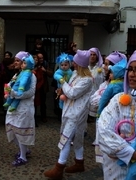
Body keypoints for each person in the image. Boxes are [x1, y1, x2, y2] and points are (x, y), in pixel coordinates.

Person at [98, 48, 136, 180]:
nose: (131, 74)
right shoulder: (118, 101)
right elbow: (103, 133)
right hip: (117, 172)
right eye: (129, 69)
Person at [44, 50, 93, 180]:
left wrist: (62, 82)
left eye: (75, 62)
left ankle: (59, 168)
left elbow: (72, 93)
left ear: (80, 64)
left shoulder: (87, 80)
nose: (73, 65)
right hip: (71, 110)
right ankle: (79, 163)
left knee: (65, 139)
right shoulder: (76, 74)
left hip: (77, 114)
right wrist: (62, 89)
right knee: (77, 138)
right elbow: (69, 89)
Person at [88, 51, 126, 164]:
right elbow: (95, 100)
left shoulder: (115, 85)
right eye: (104, 63)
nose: (104, 66)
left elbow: (103, 100)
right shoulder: (107, 83)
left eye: (107, 64)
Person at [5, 51, 36, 166]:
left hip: (24, 107)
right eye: (16, 60)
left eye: (18, 61)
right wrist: (8, 90)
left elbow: (30, 92)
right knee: (11, 128)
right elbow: (11, 85)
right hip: (13, 106)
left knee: (21, 130)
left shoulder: (32, 76)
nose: (16, 63)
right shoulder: (17, 74)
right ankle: (25, 150)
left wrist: (13, 93)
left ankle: (23, 156)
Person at [36, 52, 53, 122]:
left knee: (43, 103)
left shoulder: (45, 64)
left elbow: (51, 74)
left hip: (43, 86)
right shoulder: (34, 64)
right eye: (39, 58)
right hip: (36, 86)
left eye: (42, 58)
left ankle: (44, 117)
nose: (41, 59)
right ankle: (35, 117)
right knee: (35, 103)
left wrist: (45, 71)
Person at [32, 54, 44, 127]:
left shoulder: (39, 69)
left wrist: (36, 87)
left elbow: (41, 80)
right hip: (29, 90)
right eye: (34, 59)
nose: (35, 61)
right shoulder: (28, 69)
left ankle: (34, 121)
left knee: (35, 106)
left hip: (36, 91)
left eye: (36, 60)